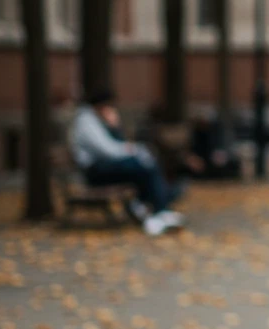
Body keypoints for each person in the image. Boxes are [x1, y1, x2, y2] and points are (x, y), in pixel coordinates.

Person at [70, 90, 184, 236]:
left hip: (106, 167)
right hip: (95, 171)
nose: (111, 109)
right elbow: (107, 150)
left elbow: (115, 146)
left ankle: (152, 208)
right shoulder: (86, 121)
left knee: (145, 164)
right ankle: (159, 207)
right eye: (109, 106)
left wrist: (115, 128)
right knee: (143, 165)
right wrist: (130, 148)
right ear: (101, 105)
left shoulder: (95, 119)